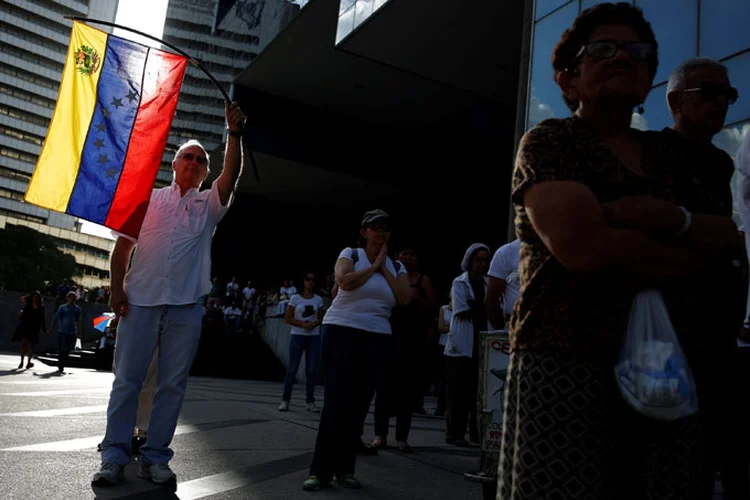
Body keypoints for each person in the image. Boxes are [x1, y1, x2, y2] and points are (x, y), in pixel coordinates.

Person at [497, 4, 739, 498]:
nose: (622, 57)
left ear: (651, 77)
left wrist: (672, 219)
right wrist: (686, 250)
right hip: (565, 362)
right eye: (602, 50)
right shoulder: (550, 142)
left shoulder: (676, 157)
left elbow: (728, 246)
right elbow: (584, 249)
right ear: (568, 81)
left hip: (669, 363)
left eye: (637, 51)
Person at [92, 101, 246, 488]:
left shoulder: (208, 204)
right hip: (139, 301)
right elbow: (122, 248)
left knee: (172, 386)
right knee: (127, 381)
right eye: (187, 157)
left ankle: (155, 457)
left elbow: (232, 175)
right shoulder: (147, 199)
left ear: (205, 172)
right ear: (174, 165)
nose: (193, 162)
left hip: (185, 308)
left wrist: (235, 134)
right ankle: (113, 455)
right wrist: (116, 288)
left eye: (201, 160)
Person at [662, 57, 747, 499]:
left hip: (719, 339)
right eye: (709, 92)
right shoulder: (652, 153)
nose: (722, 103)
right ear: (676, 100)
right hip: (671, 339)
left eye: (727, 95)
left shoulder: (721, 164)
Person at [303, 209, 410, 492]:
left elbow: (404, 298)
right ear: (364, 232)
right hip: (341, 331)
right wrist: (373, 267)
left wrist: (384, 266)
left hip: (376, 337)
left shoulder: (398, 268)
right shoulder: (350, 253)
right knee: (336, 403)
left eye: (385, 227)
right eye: (375, 227)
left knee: (359, 406)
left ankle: (345, 469)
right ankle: (320, 471)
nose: (380, 232)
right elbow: (345, 281)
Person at [371, 245, 435, 453]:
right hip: (389, 336)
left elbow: (431, 307)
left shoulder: (422, 279)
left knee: (407, 391)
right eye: (404, 253)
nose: (408, 256)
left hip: (412, 341)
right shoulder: (391, 275)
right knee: (383, 389)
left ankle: (401, 437)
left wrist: (417, 297)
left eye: (412, 253)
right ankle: (380, 434)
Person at [444, 243, 490, 446]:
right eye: (478, 259)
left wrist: (479, 306)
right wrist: (483, 306)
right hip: (462, 344)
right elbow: (462, 309)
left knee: (477, 393)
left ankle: (476, 433)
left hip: (481, 342)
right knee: (458, 392)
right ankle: (455, 433)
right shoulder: (460, 283)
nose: (482, 264)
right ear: (470, 261)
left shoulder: (488, 283)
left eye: (485, 260)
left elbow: (492, 306)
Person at [279, 272, 324, 412]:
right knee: (292, 369)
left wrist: (314, 323)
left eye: (313, 280)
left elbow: (321, 318)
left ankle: (310, 402)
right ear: (303, 282)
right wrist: (302, 324)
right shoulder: (295, 298)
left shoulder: (318, 300)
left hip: (314, 336)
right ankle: (285, 400)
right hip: (298, 335)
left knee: (311, 371)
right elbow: (288, 318)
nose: (310, 282)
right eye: (307, 279)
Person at [486, 238, 521, 330]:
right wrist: (500, 330)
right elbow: (492, 299)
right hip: (516, 324)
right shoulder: (507, 252)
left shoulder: (558, 248)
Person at [47, 291, 82, 374]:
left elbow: (79, 321)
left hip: (72, 331)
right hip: (62, 330)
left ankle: (63, 360)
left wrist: (79, 333)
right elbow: (55, 319)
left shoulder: (77, 309)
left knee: (69, 348)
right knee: (62, 348)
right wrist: (50, 330)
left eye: (74, 297)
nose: (72, 299)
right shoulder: (63, 308)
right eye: (71, 297)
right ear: (67, 298)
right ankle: (60, 366)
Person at [12, 291, 46, 370]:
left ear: (39, 298)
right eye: (34, 296)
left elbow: (42, 319)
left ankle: (28, 362)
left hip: (34, 328)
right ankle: (22, 361)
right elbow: (22, 300)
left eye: (37, 297)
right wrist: (21, 314)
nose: (35, 298)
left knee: (31, 345)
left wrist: (44, 329)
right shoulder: (28, 305)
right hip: (26, 326)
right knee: (24, 344)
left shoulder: (41, 307)